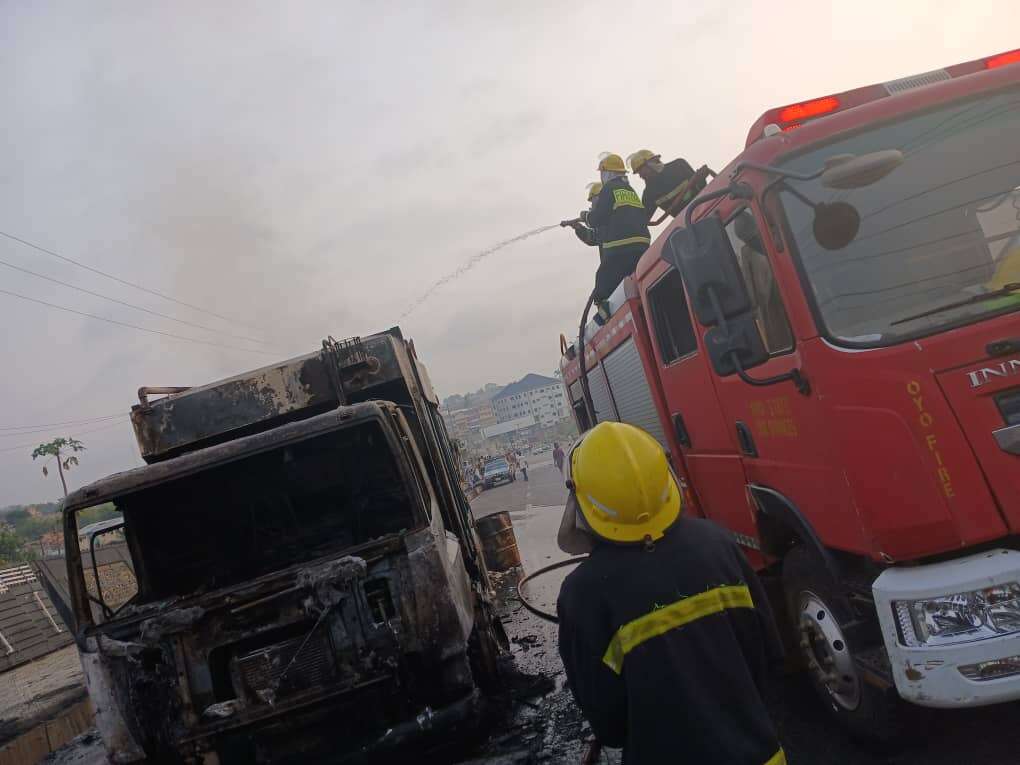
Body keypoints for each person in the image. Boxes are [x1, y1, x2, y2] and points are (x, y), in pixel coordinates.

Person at [556, 422, 785, 765]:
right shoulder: (719, 544)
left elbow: (610, 727)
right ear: (665, 476)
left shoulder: (582, 595)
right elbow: (768, 658)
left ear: (581, 498)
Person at [563, 154, 652, 303]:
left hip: (620, 248)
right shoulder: (629, 190)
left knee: (602, 288)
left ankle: (606, 318)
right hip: (642, 245)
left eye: (602, 173)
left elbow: (596, 218)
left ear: (607, 172)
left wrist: (585, 216)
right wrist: (578, 227)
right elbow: (594, 237)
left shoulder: (609, 189)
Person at [627, 149, 706, 223]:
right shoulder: (649, 193)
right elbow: (642, 219)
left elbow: (702, 184)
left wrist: (702, 176)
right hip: (690, 222)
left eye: (641, 171)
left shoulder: (679, 165)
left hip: (706, 205)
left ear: (651, 163)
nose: (640, 175)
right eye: (638, 173)